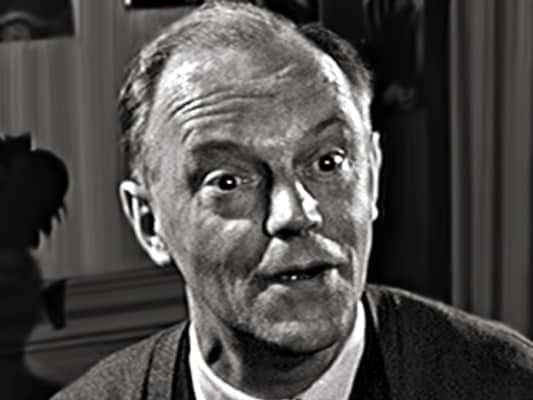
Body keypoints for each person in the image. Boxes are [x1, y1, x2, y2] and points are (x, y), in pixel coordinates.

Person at [53, 2, 533, 399]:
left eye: (328, 163)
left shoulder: (506, 384)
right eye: (228, 181)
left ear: (373, 177)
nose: (296, 213)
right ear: (149, 223)